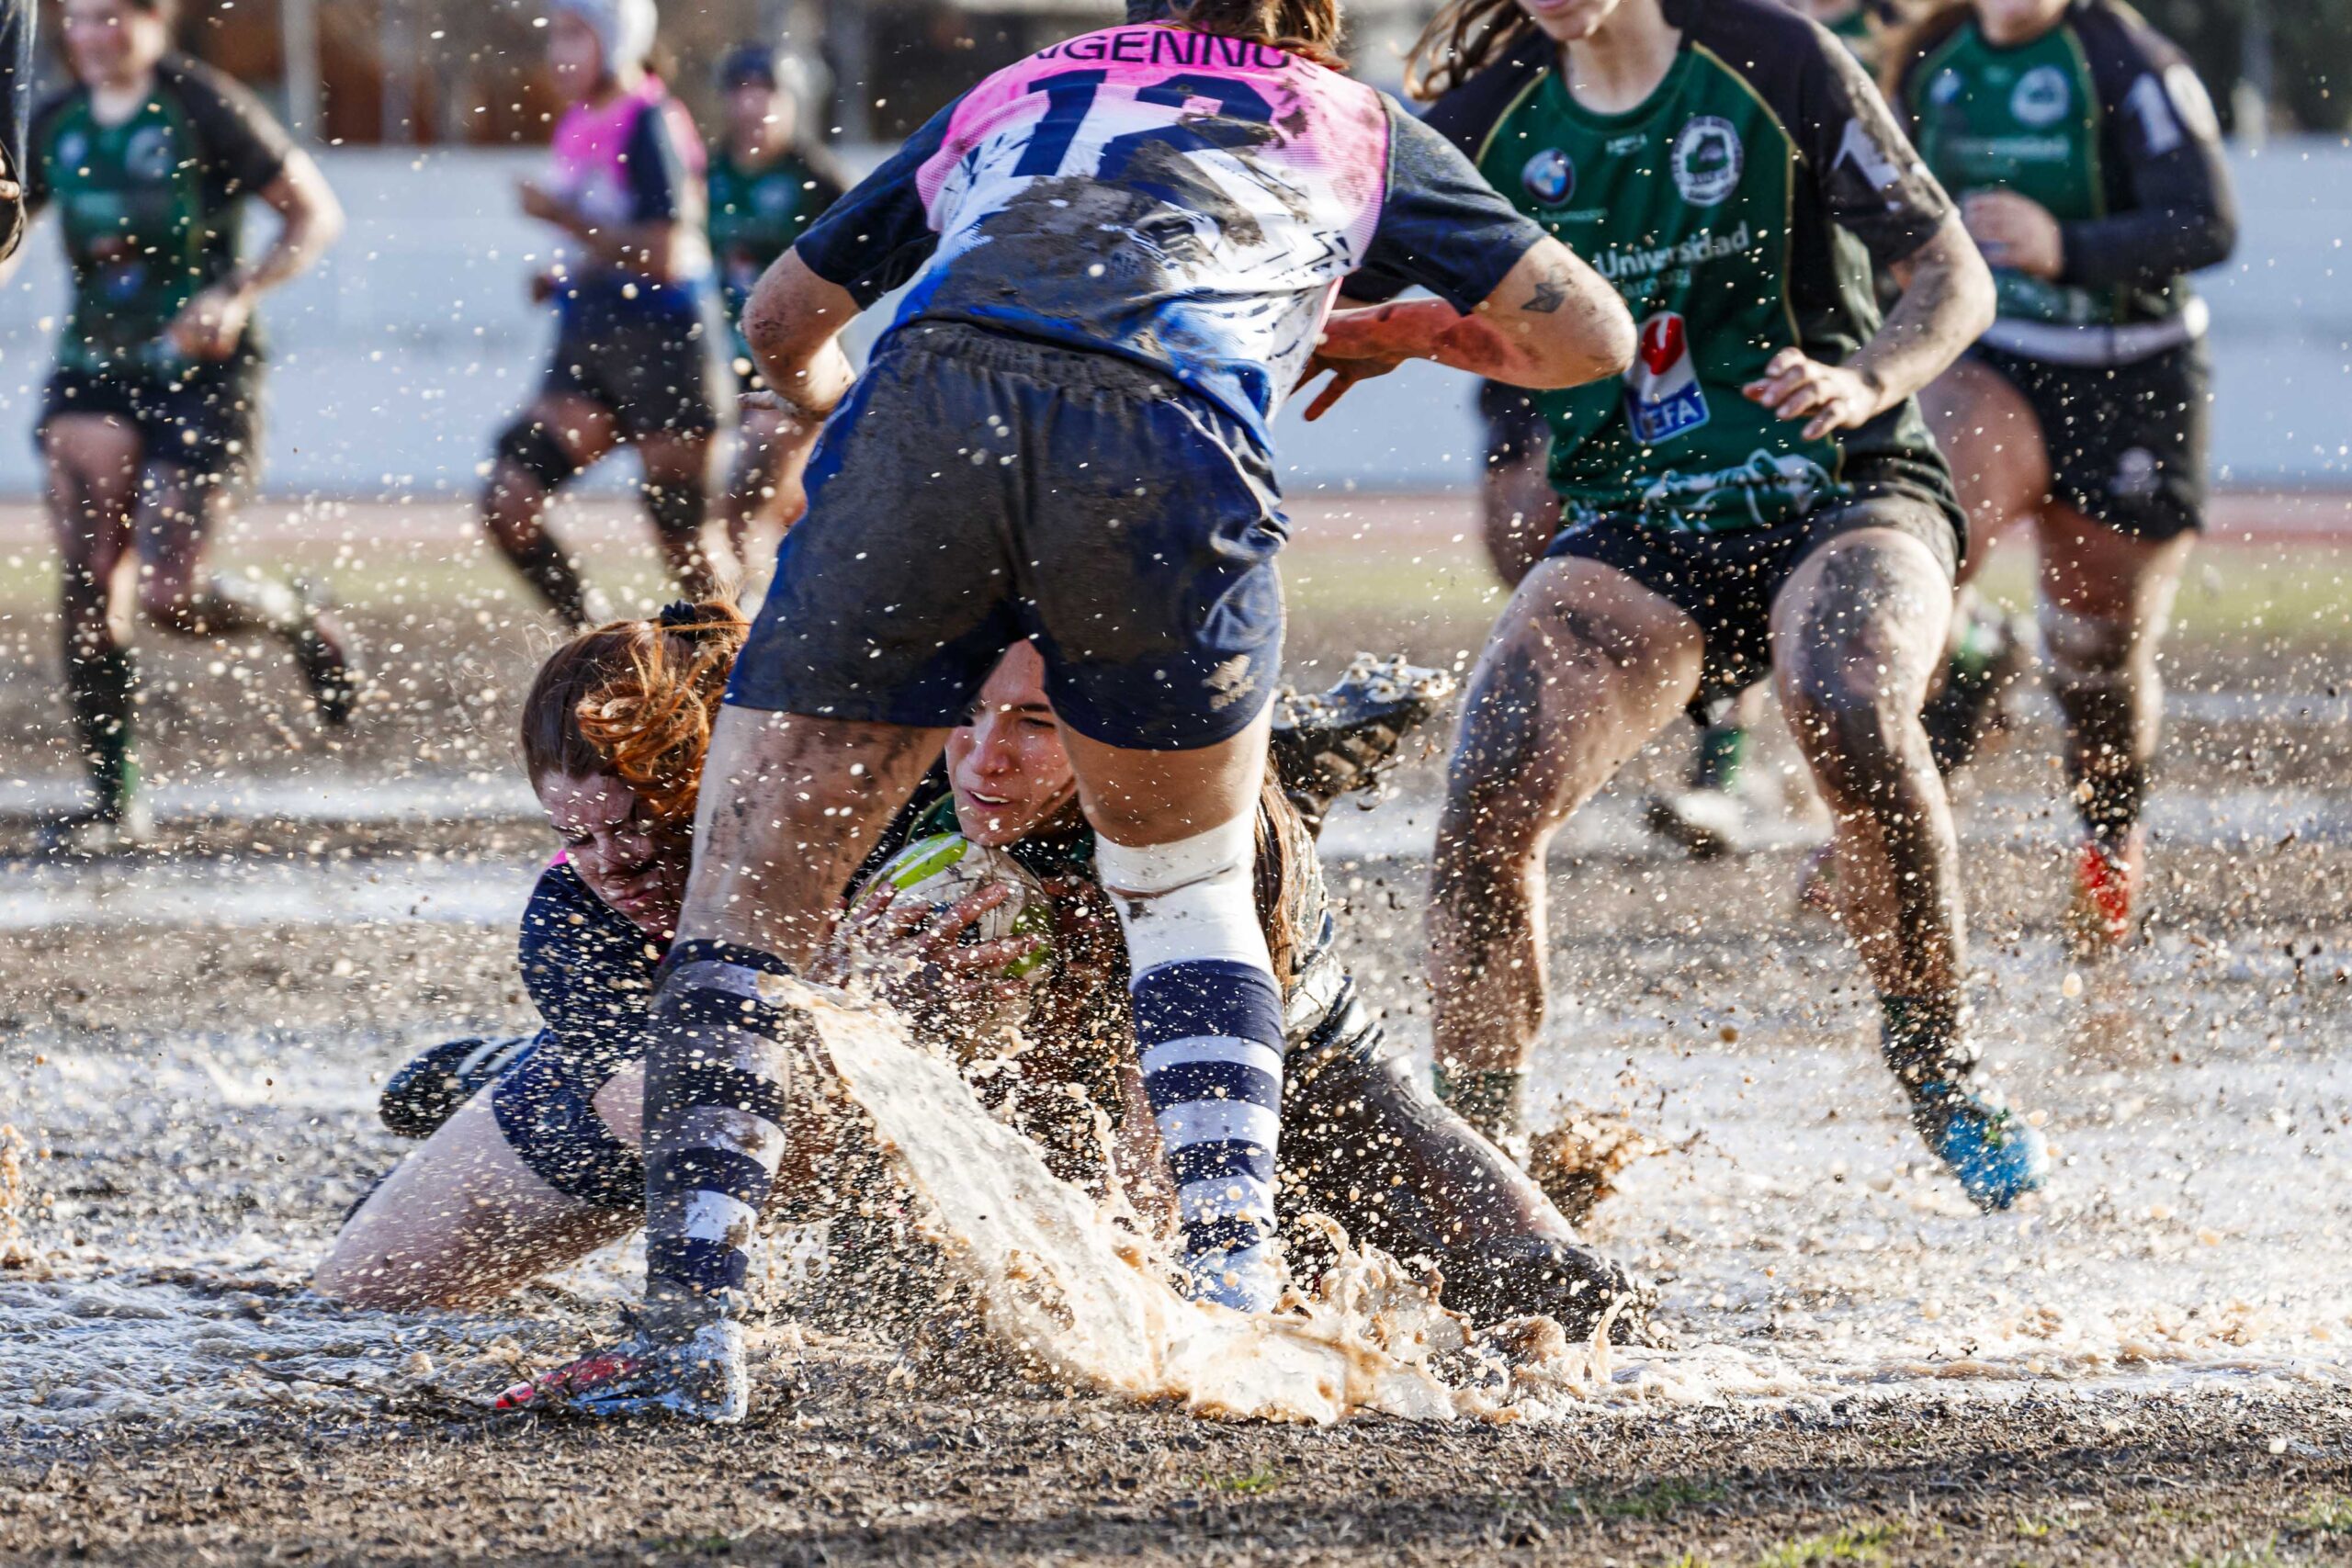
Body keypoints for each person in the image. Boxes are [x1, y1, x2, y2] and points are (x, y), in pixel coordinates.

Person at [524, 0, 1635, 1419]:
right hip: (1169, 432)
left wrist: (866, 441)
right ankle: (1226, 1307)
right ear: (1318, 17)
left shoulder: (1031, 84)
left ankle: (691, 1336)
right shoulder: (1345, 118)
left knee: (746, 909)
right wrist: (1406, 332)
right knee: (1183, 887)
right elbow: (1589, 336)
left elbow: (782, 323)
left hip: (929, 405)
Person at [314, 612, 1650, 1354]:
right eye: (593, 839)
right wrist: (858, 996)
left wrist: (1162, 1277)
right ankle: (498, 1065)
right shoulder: (616, 892)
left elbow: (1153, 1092)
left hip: (1271, 1064)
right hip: (746, 1095)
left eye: (657, 834)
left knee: (1566, 1295)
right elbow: (722, 1092)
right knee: (346, 1307)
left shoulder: (1163, 808)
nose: (630, 873)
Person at [1328, 0, 2049, 1213]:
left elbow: (1953, 274)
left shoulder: (1772, 56)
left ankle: (1937, 1057)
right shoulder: (1487, 113)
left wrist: (1866, 376)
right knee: (1490, 778)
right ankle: (1484, 1156)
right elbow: (1340, 267)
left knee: (1848, 700)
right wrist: (1360, 327)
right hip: (1643, 522)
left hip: (1844, 480)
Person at [1888, 0, 2236, 959]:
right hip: (1993, 358)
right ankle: (1888, 824)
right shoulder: (1928, 58)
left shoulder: (2129, 64)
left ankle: (2106, 851)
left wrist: (2066, 247)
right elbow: (1881, 208)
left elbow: (2207, 223)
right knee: (1916, 551)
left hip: (2136, 373)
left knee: (2094, 648)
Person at [13, 0, 347, 850]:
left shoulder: (203, 104)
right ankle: (114, 799)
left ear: (156, 20)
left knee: (173, 596)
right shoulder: (54, 121)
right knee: (92, 584)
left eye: (114, 16)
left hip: (201, 375)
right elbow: (11, 230)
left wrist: (236, 291)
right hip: (92, 370)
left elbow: (313, 213)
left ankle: (297, 618)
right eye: (81, 19)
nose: (95, 36)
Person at [475, 0, 723, 627]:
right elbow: (603, 243)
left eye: (573, 36)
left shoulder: (652, 121)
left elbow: (666, 252)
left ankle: (751, 670)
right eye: (552, 36)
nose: (557, 53)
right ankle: (591, 640)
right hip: (589, 345)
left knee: (684, 545)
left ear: (616, 42)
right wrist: (558, 274)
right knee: (510, 499)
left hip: (665, 349)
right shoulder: (579, 121)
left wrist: (563, 220)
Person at [704, 44, 846, 573]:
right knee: (708, 509)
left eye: (767, 94)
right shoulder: (707, 173)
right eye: (741, 93)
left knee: (746, 499)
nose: (753, 108)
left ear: (793, 102)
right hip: (720, 363)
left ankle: (756, 624)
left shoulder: (818, 178)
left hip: (795, 366)